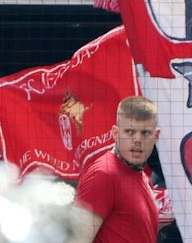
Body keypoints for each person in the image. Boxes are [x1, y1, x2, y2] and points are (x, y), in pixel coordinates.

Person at [68, 97, 160, 243]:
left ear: (156, 136)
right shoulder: (102, 175)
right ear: (115, 133)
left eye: (145, 133)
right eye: (130, 132)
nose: (138, 140)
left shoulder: (141, 177)